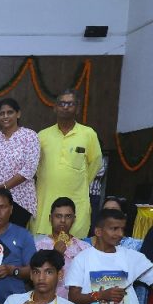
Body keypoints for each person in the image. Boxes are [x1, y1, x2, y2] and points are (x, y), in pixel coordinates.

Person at [66, 208, 153, 304]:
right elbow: (73, 298)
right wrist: (101, 295)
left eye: (122, 229)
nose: (120, 234)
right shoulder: (82, 259)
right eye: (114, 229)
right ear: (98, 231)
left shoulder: (132, 257)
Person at [33, 89, 103, 237]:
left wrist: (78, 181)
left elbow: (96, 163)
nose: (65, 107)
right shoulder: (42, 135)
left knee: (74, 247)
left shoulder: (88, 134)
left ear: (77, 108)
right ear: (55, 108)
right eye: (62, 103)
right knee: (43, 247)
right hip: (45, 204)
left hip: (76, 202)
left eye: (70, 104)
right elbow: (34, 166)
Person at [0, 97, 41, 227]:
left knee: (15, 236)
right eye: (1, 113)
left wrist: (4, 187)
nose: (5, 116)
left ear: (18, 114)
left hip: (21, 200)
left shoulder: (30, 136)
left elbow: (29, 169)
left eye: (10, 112)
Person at [33, 197, 90, 298]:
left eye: (68, 216)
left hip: (76, 302)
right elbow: (35, 276)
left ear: (74, 219)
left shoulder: (84, 248)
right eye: (58, 216)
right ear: (50, 218)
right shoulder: (38, 246)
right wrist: (55, 255)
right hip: (45, 301)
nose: (63, 220)